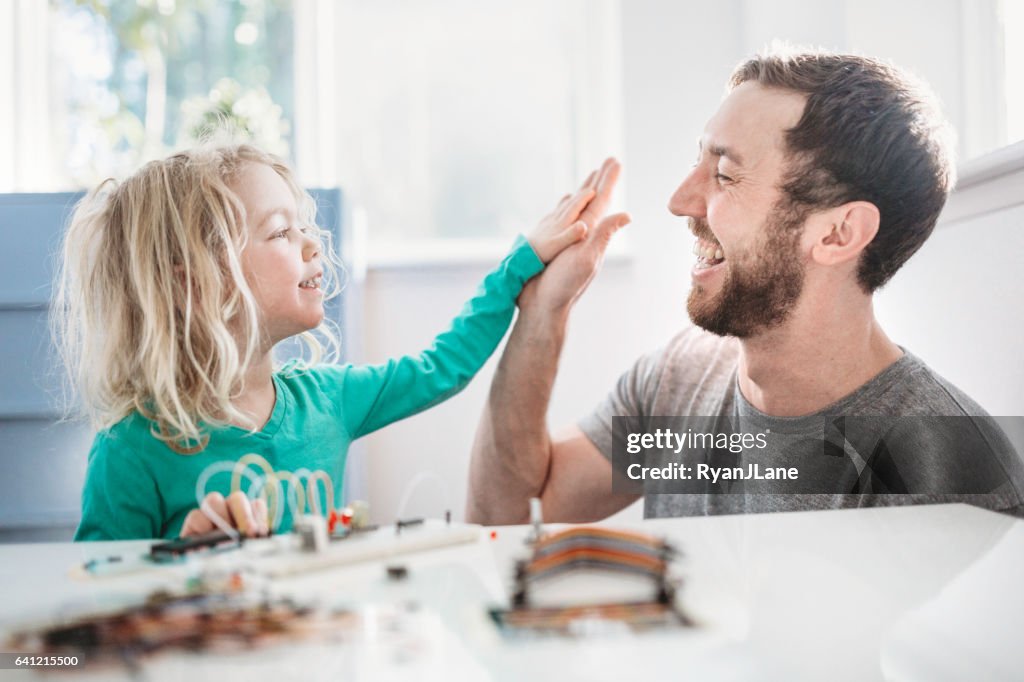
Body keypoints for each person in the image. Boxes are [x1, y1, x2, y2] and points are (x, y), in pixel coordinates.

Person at [466, 49, 1024, 524]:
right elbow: (511, 513)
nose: (680, 201)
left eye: (725, 175)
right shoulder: (678, 383)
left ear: (837, 233)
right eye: (697, 163)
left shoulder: (953, 477)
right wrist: (542, 311)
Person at [60, 144, 629, 540]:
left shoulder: (328, 400)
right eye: (282, 231)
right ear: (195, 280)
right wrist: (177, 560)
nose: (313, 244)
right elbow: (94, 600)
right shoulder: (131, 448)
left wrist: (522, 262)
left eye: (303, 225)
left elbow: (444, 367)